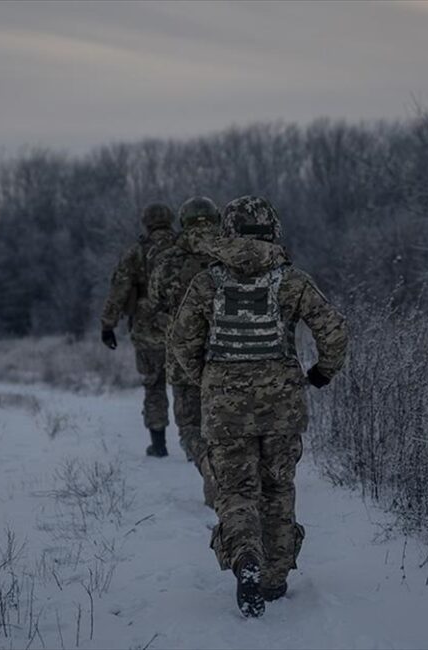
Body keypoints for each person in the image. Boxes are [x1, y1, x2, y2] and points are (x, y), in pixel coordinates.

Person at [169, 195, 348, 617]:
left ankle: (245, 558)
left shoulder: (208, 282)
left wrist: (209, 381)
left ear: (227, 231)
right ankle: (274, 578)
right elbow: (335, 331)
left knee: (236, 491)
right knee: (277, 488)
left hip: (224, 406)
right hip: (282, 407)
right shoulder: (292, 280)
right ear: (273, 230)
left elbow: (181, 341)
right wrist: (322, 372)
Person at [148, 196, 222, 506]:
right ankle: (227, 474)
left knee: (191, 425)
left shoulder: (168, 260)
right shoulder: (229, 254)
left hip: (182, 357)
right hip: (226, 356)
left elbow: (154, 301)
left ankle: (208, 467)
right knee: (224, 424)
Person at [100, 202, 177, 457]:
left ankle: (158, 444)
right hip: (185, 327)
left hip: (147, 328)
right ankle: (194, 446)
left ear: (146, 222)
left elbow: (119, 290)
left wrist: (108, 325)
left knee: (154, 384)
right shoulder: (185, 248)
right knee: (189, 386)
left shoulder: (136, 252)